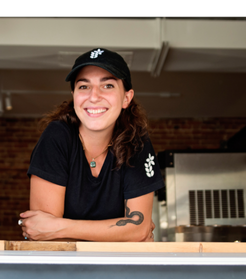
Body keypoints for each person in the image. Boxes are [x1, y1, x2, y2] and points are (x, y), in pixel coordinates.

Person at [19, 48, 164, 242]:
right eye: (84, 86)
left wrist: (60, 226)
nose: (94, 96)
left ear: (126, 98)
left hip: (118, 272)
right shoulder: (57, 137)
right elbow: (44, 235)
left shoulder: (136, 141)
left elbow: (139, 230)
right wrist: (123, 235)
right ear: (74, 95)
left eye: (108, 86)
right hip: (59, 271)